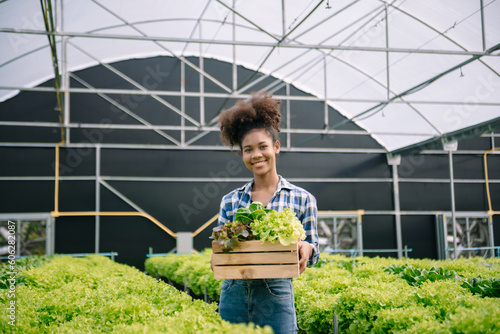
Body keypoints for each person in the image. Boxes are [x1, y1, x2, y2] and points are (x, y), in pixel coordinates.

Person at [212, 92, 319, 334]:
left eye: (263, 146)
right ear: (242, 155)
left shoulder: (302, 199)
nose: (256, 155)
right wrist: (218, 255)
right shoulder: (230, 201)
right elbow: (221, 248)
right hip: (233, 291)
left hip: (277, 293)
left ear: (276, 147)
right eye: (248, 150)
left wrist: (308, 248)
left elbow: (313, 251)